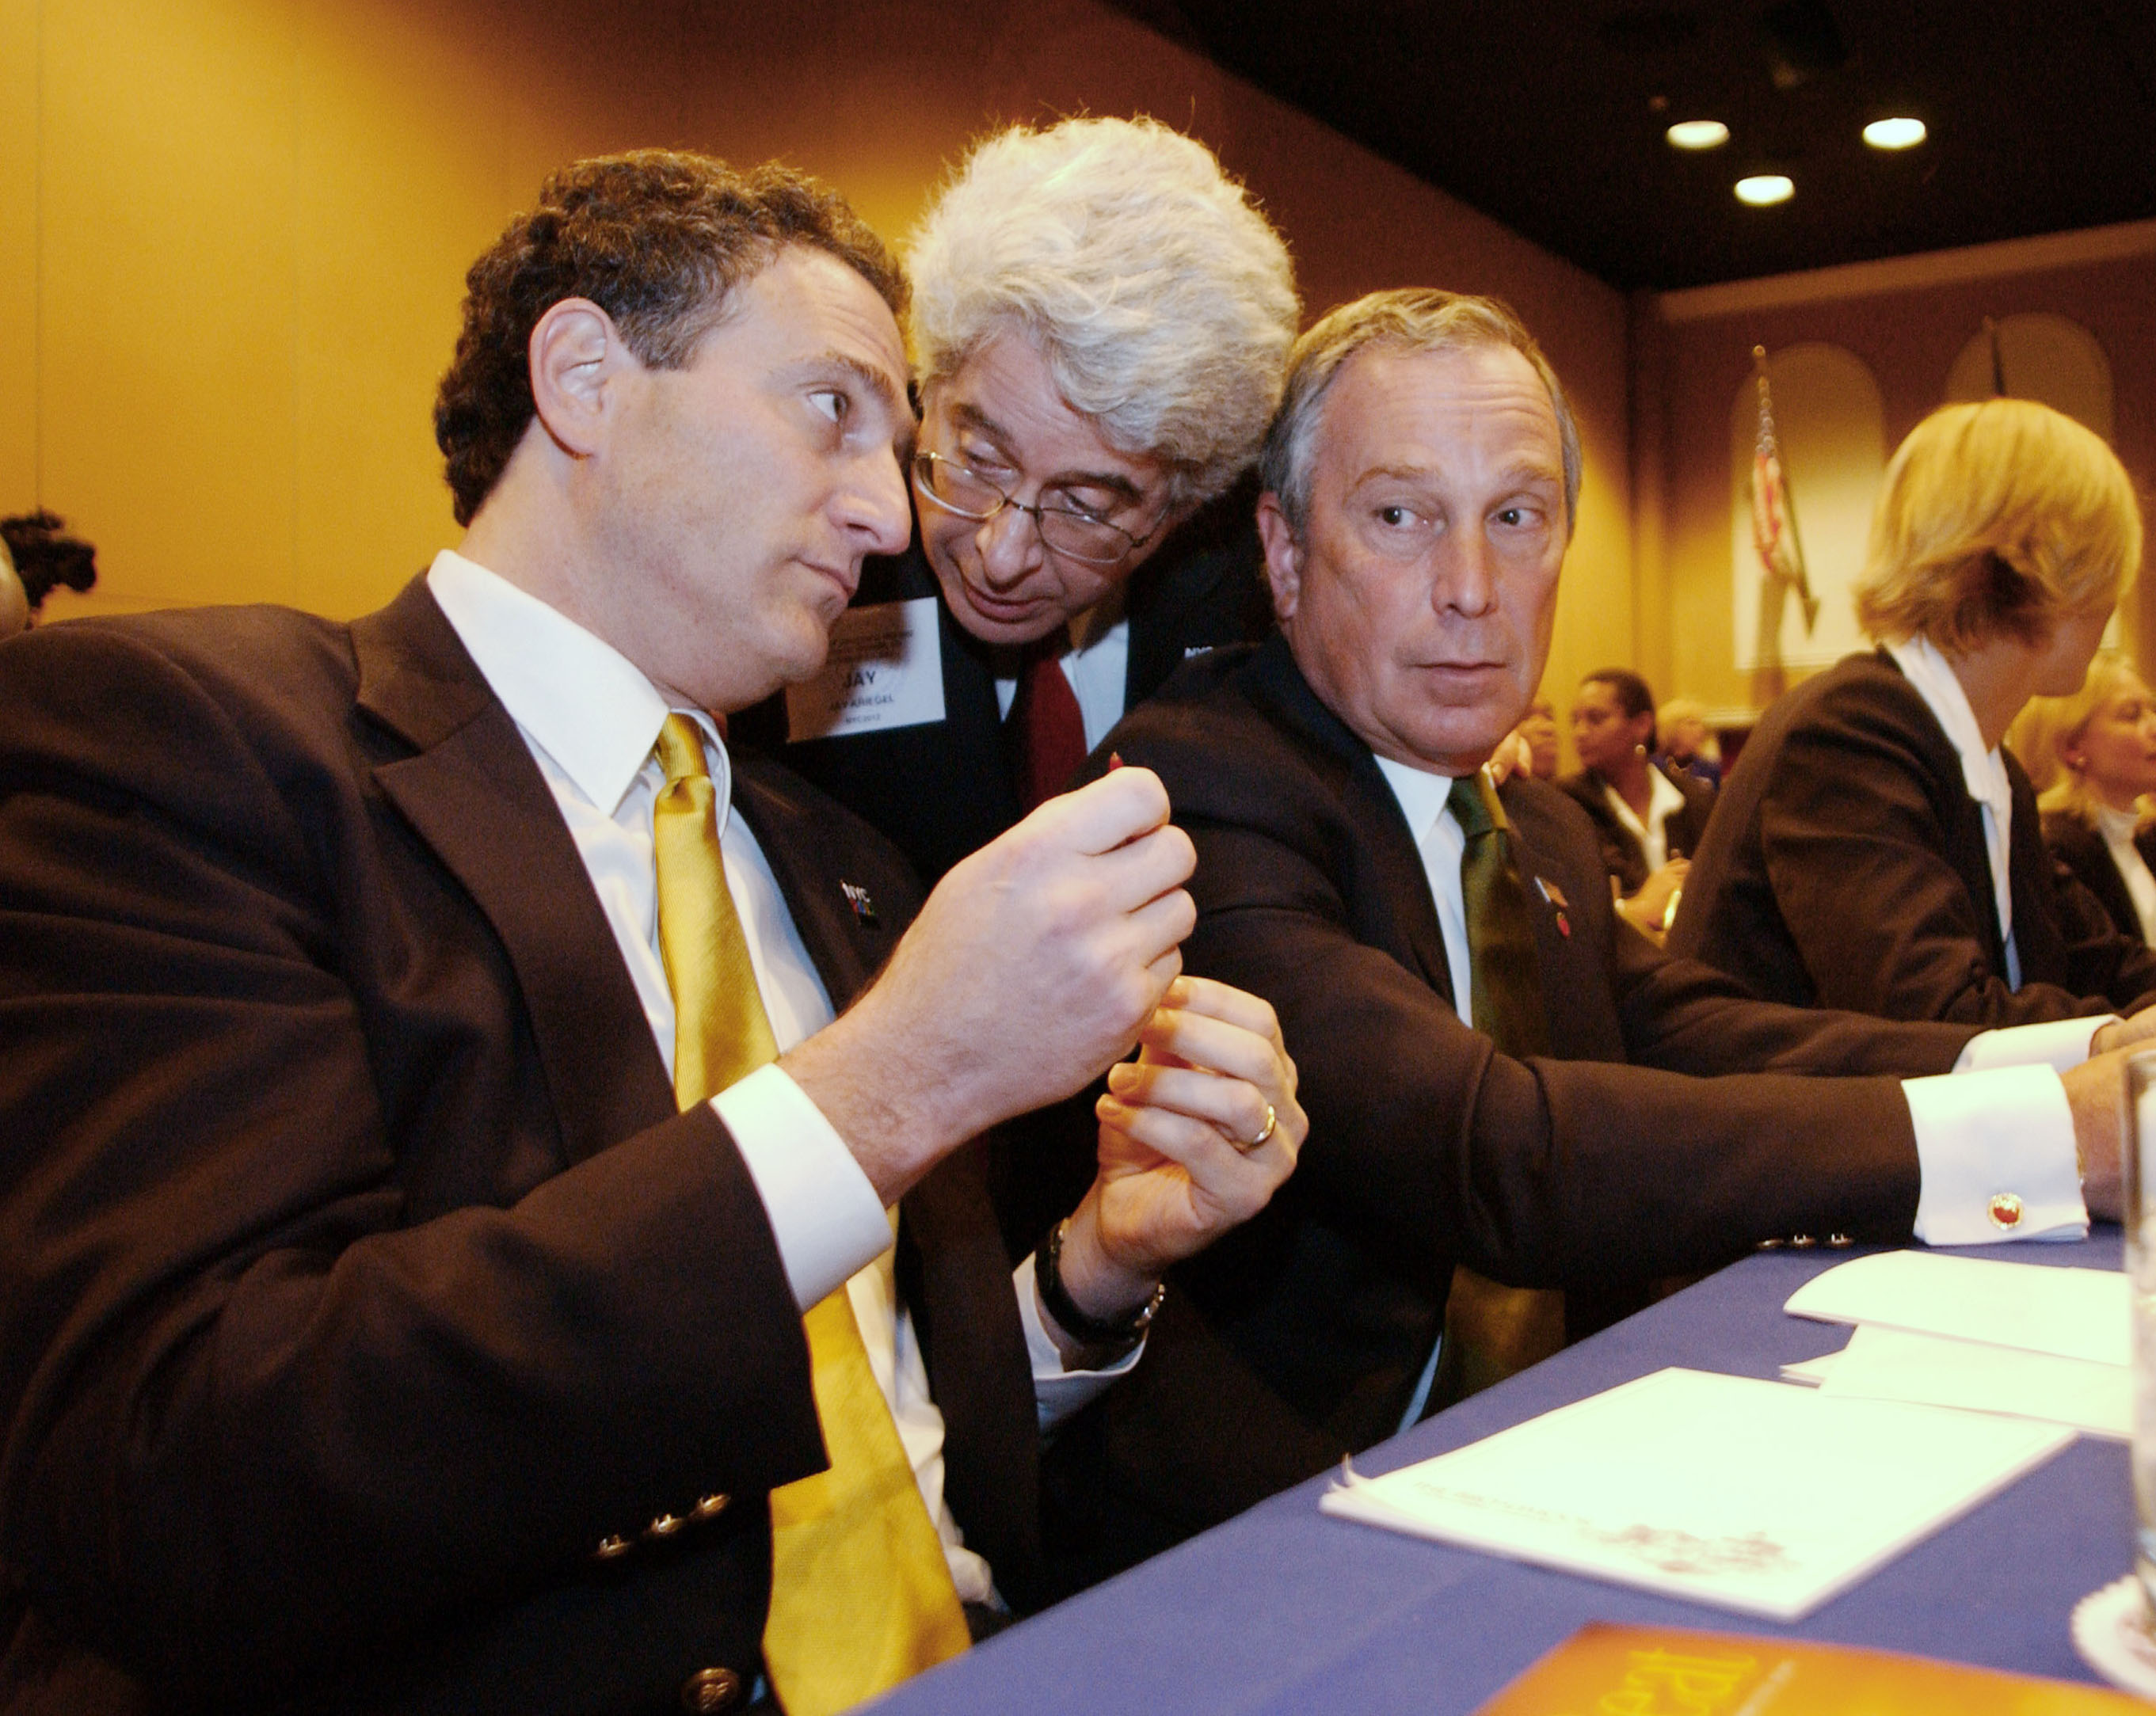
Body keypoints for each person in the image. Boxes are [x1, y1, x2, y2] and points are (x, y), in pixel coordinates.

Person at [0, 151, 1308, 1714]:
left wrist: (1096, 1270)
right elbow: (183, 1485)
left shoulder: (842, 868)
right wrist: (890, 1089)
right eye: (836, 408)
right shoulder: (194, 745)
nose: (897, 513)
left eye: (903, 444)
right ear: (584, 379)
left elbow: (873, 1429)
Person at [1063, 290, 2156, 1569]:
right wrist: (2062, 1140)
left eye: (1518, 517)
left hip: (1569, 1462)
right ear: (1281, 551)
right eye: (1399, 516)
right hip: (1273, 1539)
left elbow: (1693, 1027)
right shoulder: (1192, 789)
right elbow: (1496, 1147)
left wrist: (2095, 1047)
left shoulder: (1534, 825)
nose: (1472, 589)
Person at [752, 117, 1299, 884]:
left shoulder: (1254, 591)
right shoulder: (804, 535)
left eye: (1086, 508)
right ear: (928, 388)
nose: (999, 556)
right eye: (977, 460)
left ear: (1183, 507)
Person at [1670, 399, 2156, 1026]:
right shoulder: (1851, 732)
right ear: (2045, 567)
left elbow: (2101, 966)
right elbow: (1938, 1015)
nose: (2115, 599)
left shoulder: (1987, 762)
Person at [2006, 652, 2156, 953]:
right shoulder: (2057, 850)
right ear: (2073, 747)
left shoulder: (2142, 838)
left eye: (2152, 711)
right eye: (2132, 715)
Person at [1561, 667, 1713, 938]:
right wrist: (1634, 908)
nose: (1580, 732)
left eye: (1596, 719)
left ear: (1642, 725)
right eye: (1576, 721)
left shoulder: (1694, 800)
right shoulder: (1566, 804)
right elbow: (1568, 912)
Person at [1656, 694, 1723, 789]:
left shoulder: (1710, 769)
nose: (1701, 729)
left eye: (1700, 724)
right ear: (1671, 727)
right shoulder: (1653, 768)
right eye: (1692, 723)